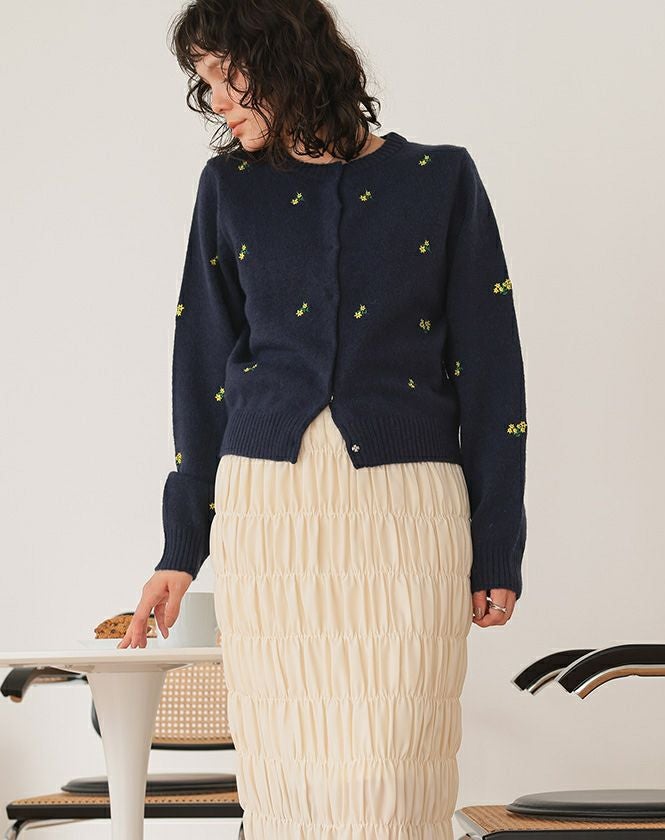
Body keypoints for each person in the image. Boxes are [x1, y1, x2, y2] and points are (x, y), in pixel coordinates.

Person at [118, 0, 528, 836]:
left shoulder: (441, 179)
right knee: (289, 780)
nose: (215, 101)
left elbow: (492, 376)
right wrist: (180, 546)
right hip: (270, 512)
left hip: (408, 509)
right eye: (204, 82)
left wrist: (497, 544)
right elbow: (201, 368)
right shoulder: (228, 188)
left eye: (226, 76)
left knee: (395, 774)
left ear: (284, 58)